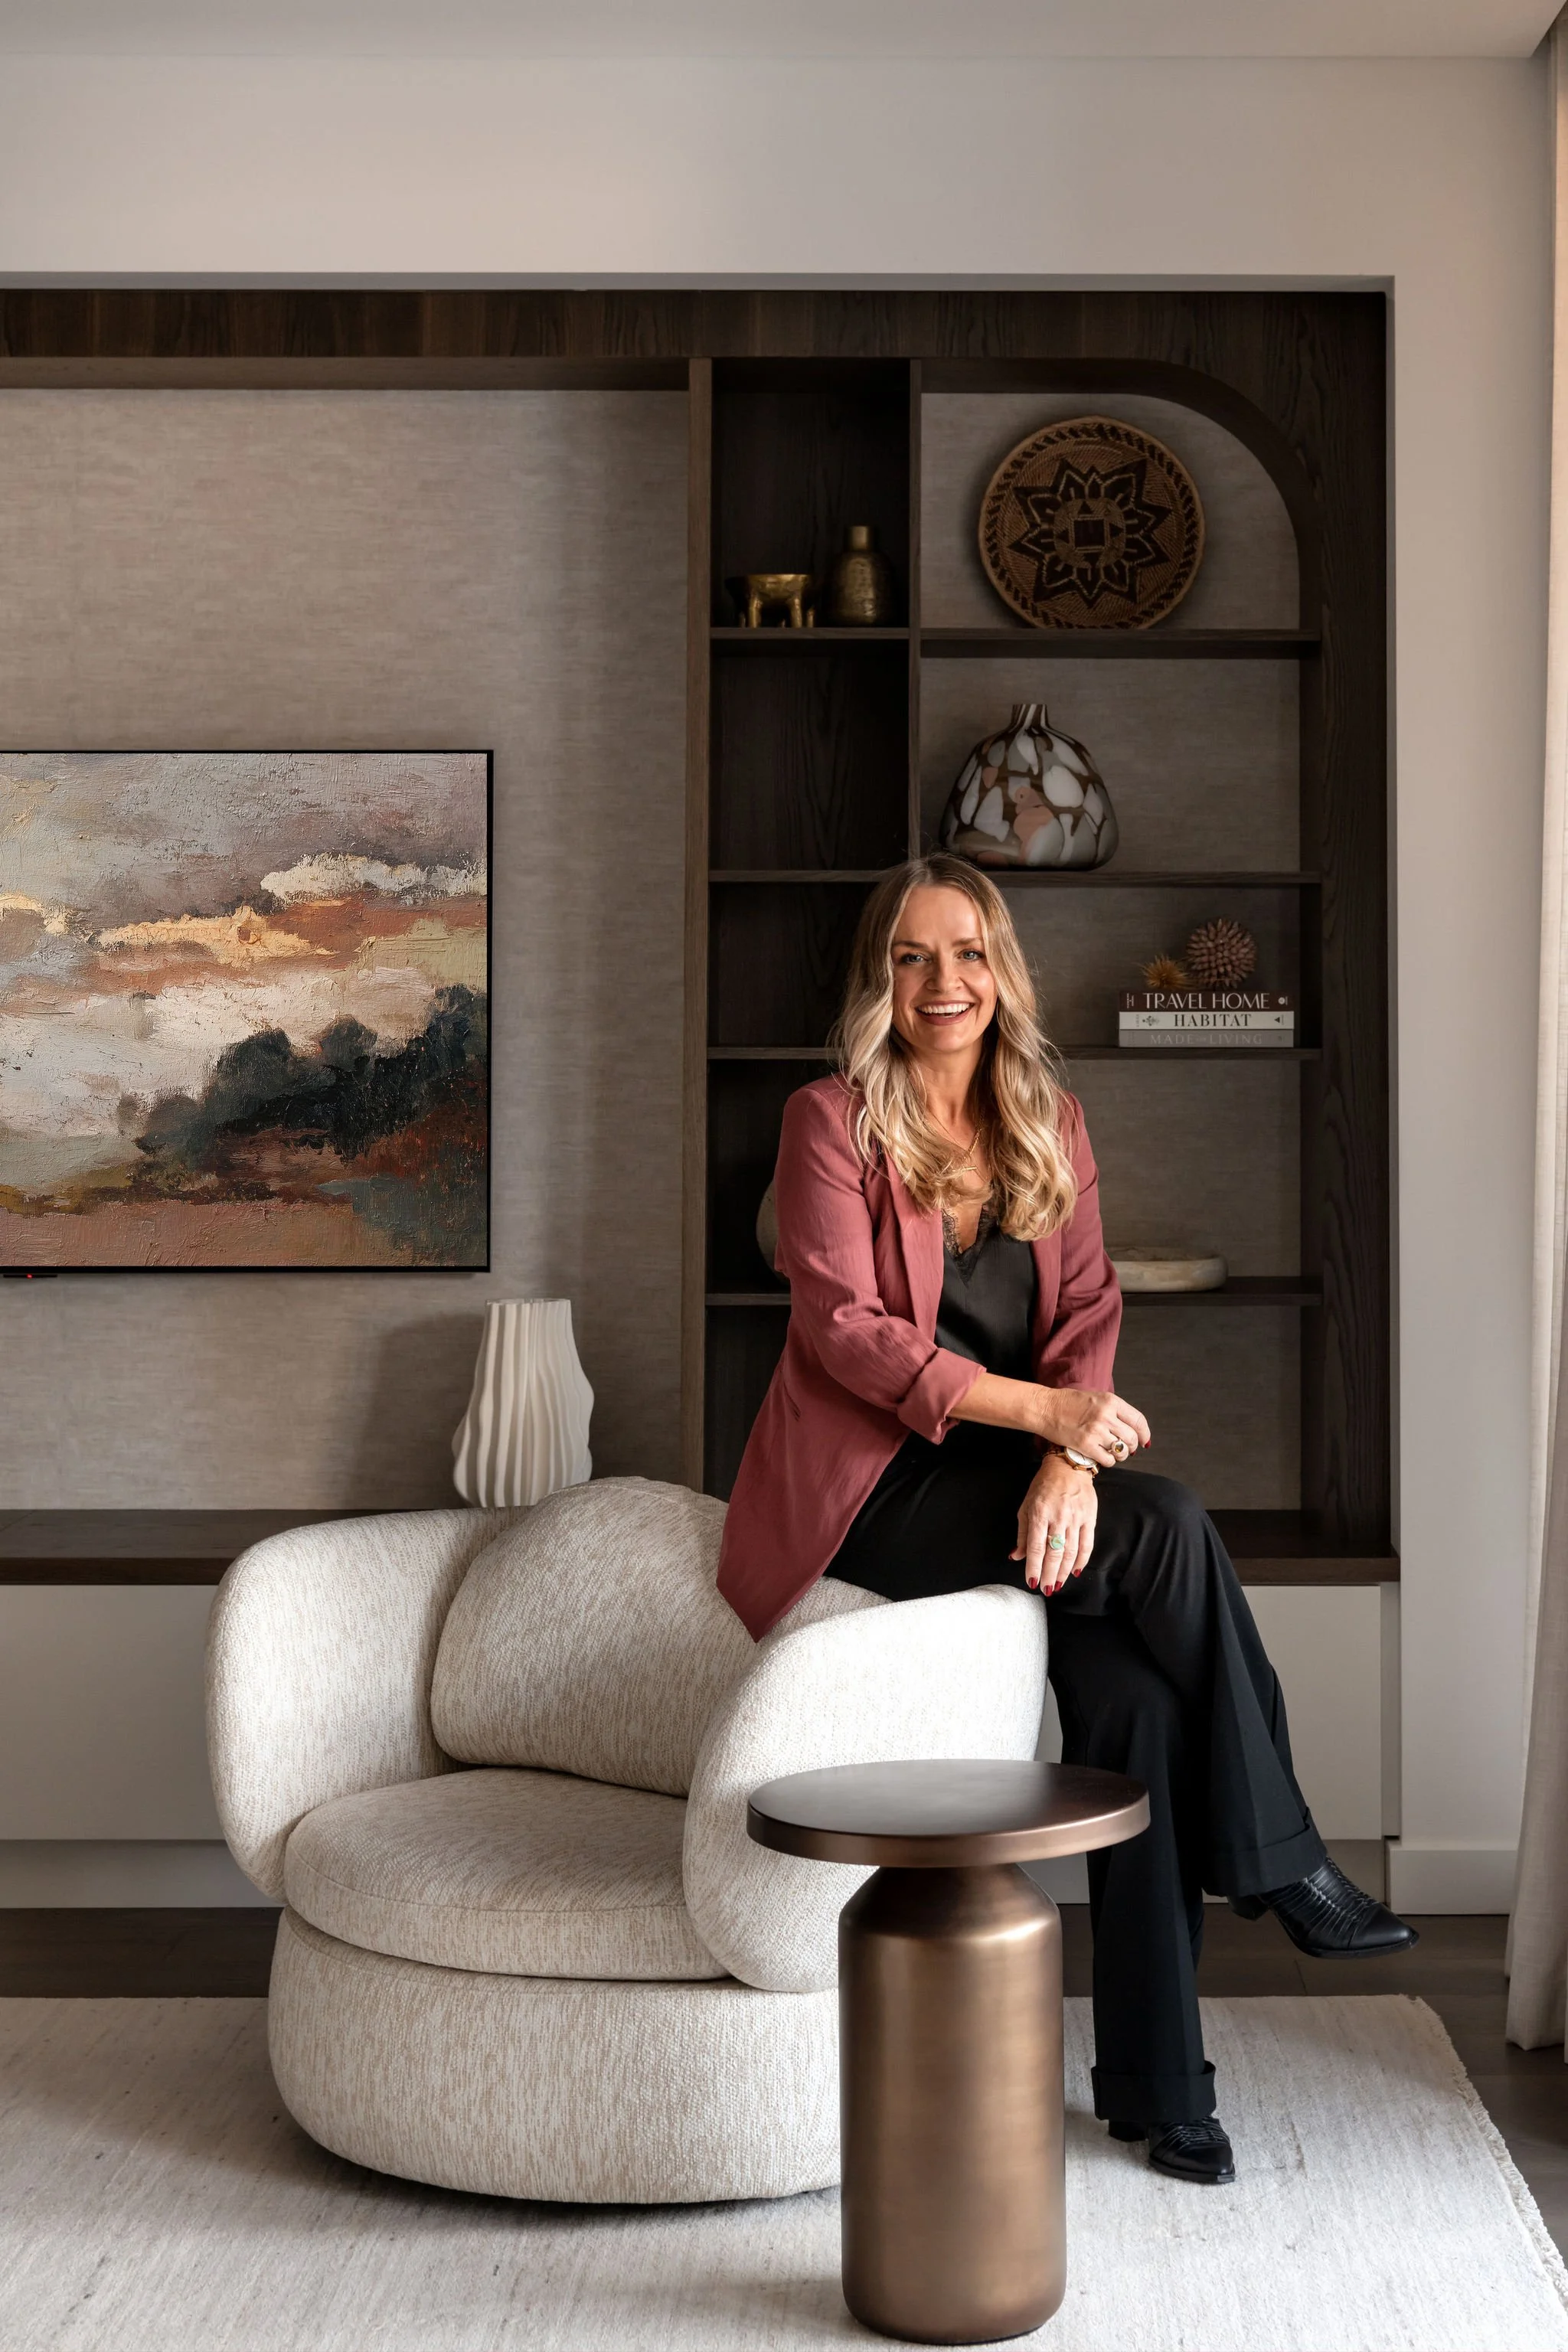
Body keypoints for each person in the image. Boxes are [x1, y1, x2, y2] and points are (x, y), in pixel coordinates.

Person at [717, 852, 1415, 2187]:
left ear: (1002, 970)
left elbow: (1089, 1309)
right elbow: (847, 1335)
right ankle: (1281, 1863)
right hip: (880, 1493)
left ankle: (1166, 2094)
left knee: (1140, 1713)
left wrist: (1069, 1468)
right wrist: (1045, 1427)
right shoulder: (832, 1121)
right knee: (1175, 1526)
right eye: (914, 957)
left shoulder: (1049, 1114)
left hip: (1019, 1481)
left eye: (968, 952)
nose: (944, 983)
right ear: (881, 976)